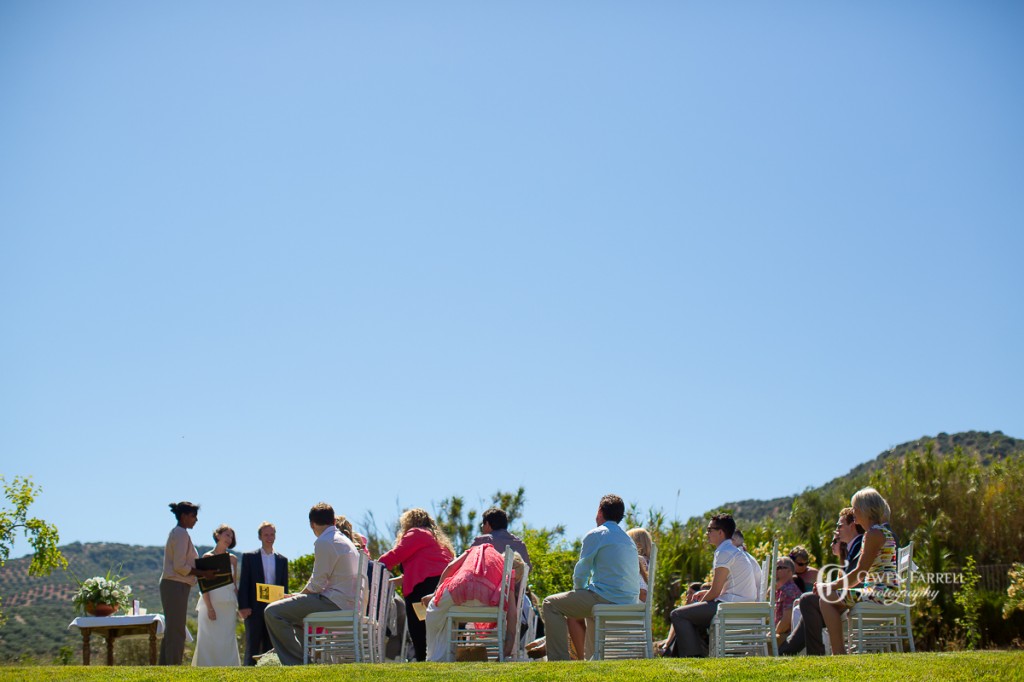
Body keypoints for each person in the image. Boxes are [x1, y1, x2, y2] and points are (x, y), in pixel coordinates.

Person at [542, 494, 642, 661]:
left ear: (600, 511)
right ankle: (592, 660)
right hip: (629, 602)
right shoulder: (628, 540)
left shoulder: (597, 534)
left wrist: (579, 592)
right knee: (590, 609)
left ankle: (558, 661)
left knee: (550, 604)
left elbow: (582, 571)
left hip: (606, 598)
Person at [264, 502, 361, 665]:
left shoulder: (325, 541)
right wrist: (298, 597)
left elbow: (317, 584)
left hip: (334, 603)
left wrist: (298, 596)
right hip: (347, 601)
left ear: (311, 524)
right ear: (334, 521)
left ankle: (297, 662)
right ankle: (304, 658)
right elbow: (320, 581)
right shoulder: (343, 540)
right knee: (292, 612)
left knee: (272, 611)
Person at [819, 487, 899, 654]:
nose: (853, 511)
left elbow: (860, 572)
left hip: (880, 592)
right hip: (882, 590)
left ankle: (839, 653)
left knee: (826, 598)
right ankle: (840, 651)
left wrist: (832, 586)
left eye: (855, 507)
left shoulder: (873, 534)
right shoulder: (878, 532)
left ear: (865, 509)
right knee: (833, 600)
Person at [668, 513, 759, 657]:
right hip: (740, 604)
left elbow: (716, 591)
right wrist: (703, 596)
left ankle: (693, 657)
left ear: (721, 532)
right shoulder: (733, 551)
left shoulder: (724, 552)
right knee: (688, 612)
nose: (707, 533)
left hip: (731, 606)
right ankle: (678, 656)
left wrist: (698, 601)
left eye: (710, 529)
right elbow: (723, 587)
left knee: (678, 614)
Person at [780, 506, 864, 655]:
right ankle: (795, 651)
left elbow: (857, 578)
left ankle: (801, 652)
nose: (836, 530)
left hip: (855, 596)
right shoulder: (854, 547)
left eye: (839, 525)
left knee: (807, 601)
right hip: (844, 596)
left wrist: (827, 587)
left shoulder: (859, 546)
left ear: (852, 525)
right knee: (807, 602)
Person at [422, 544, 524, 661]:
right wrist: (507, 649)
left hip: (461, 589)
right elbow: (512, 613)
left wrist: (435, 594)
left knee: (434, 609)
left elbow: (450, 567)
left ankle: (433, 657)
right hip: (487, 600)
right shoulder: (507, 571)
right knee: (447, 613)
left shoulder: (483, 550)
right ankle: (442, 656)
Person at [379, 508, 455, 661]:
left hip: (424, 588)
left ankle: (422, 660)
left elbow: (395, 555)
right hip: (442, 586)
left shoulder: (417, 533)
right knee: (434, 627)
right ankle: (437, 659)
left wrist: (374, 566)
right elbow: (413, 572)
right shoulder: (437, 540)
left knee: (419, 628)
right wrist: (388, 582)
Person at [159, 501, 216, 665]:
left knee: (173, 627)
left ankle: (165, 665)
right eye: (193, 516)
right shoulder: (181, 534)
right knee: (176, 629)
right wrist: (204, 573)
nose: (196, 520)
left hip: (175, 584)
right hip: (175, 584)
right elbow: (180, 566)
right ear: (183, 516)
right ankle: (173, 665)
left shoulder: (178, 533)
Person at [238, 521, 289, 666]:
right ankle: (248, 672)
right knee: (252, 643)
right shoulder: (249, 557)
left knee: (270, 644)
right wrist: (243, 606)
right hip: (253, 607)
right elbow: (244, 583)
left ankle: (268, 671)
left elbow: (284, 586)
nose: (269, 537)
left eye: (272, 534)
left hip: (274, 607)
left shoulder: (282, 560)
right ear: (260, 536)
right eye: (266, 534)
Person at [192, 524, 241, 667]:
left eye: (231, 536)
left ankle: (229, 667)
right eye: (227, 535)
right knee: (208, 638)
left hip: (228, 603)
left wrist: (240, 606)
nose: (229, 538)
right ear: (218, 535)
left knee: (227, 638)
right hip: (211, 602)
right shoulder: (207, 557)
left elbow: (234, 584)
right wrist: (210, 607)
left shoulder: (233, 559)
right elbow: (204, 586)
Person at [773, 556, 802, 647]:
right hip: (782, 633)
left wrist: (772, 633)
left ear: (789, 571)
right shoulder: (781, 590)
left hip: (789, 636)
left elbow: (787, 621)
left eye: (778, 568)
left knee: (763, 645)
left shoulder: (789, 590)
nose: (775, 571)